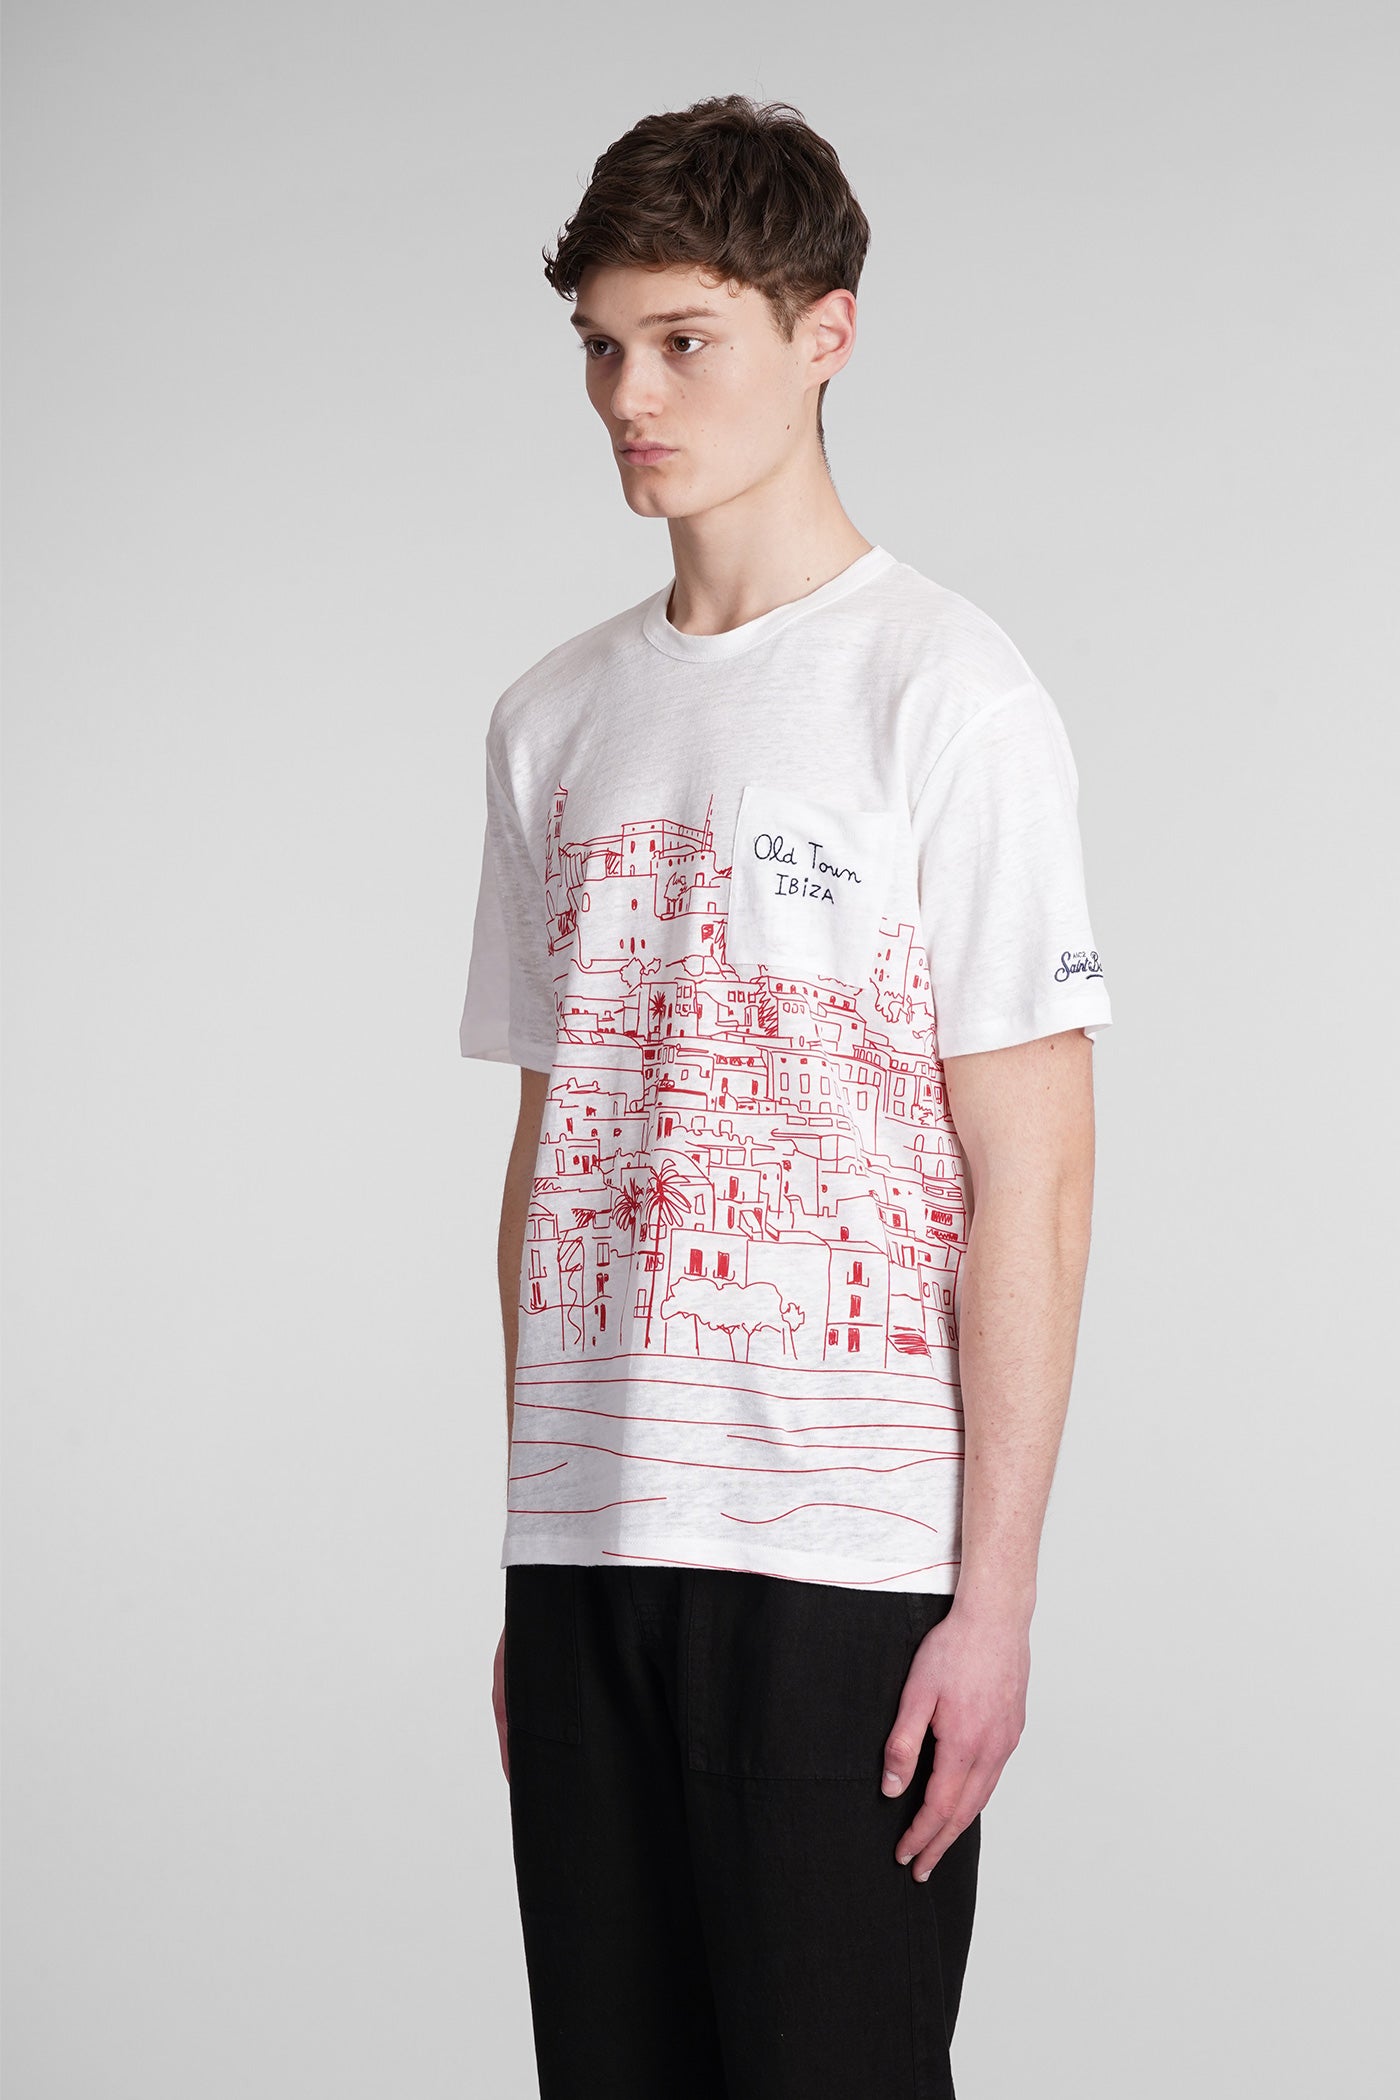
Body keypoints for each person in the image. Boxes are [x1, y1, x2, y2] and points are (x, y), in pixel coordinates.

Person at [457, 91, 1112, 2100]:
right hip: (591, 1563)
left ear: (825, 334)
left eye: (683, 342)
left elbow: (1033, 1171)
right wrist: (535, 1545)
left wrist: (992, 1604)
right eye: (600, 347)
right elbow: (551, 1155)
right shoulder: (551, 718)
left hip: (846, 1571)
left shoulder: (946, 694)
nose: (628, 399)